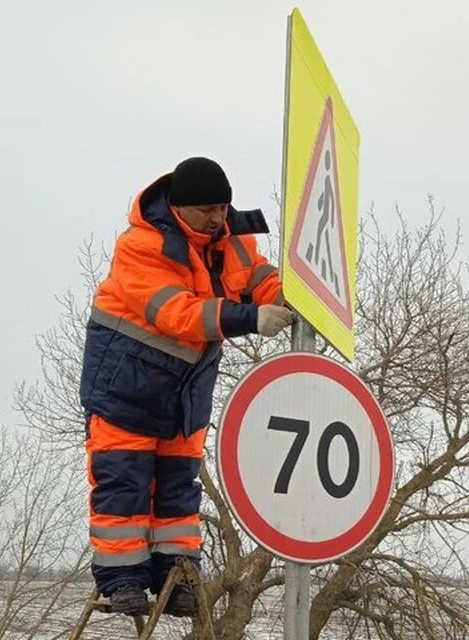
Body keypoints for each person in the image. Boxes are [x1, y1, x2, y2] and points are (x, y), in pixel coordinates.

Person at [79, 157, 294, 617]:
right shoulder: (141, 247)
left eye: (223, 207)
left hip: (184, 395)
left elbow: (256, 276)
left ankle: (177, 579)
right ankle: (123, 582)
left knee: (179, 492)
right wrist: (250, 318)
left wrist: (280, 296)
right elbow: (177, 314)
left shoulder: (232, 239)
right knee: (124, 486)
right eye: (208, 210)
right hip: (125, 391)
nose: (219, 218)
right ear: (180, 209)